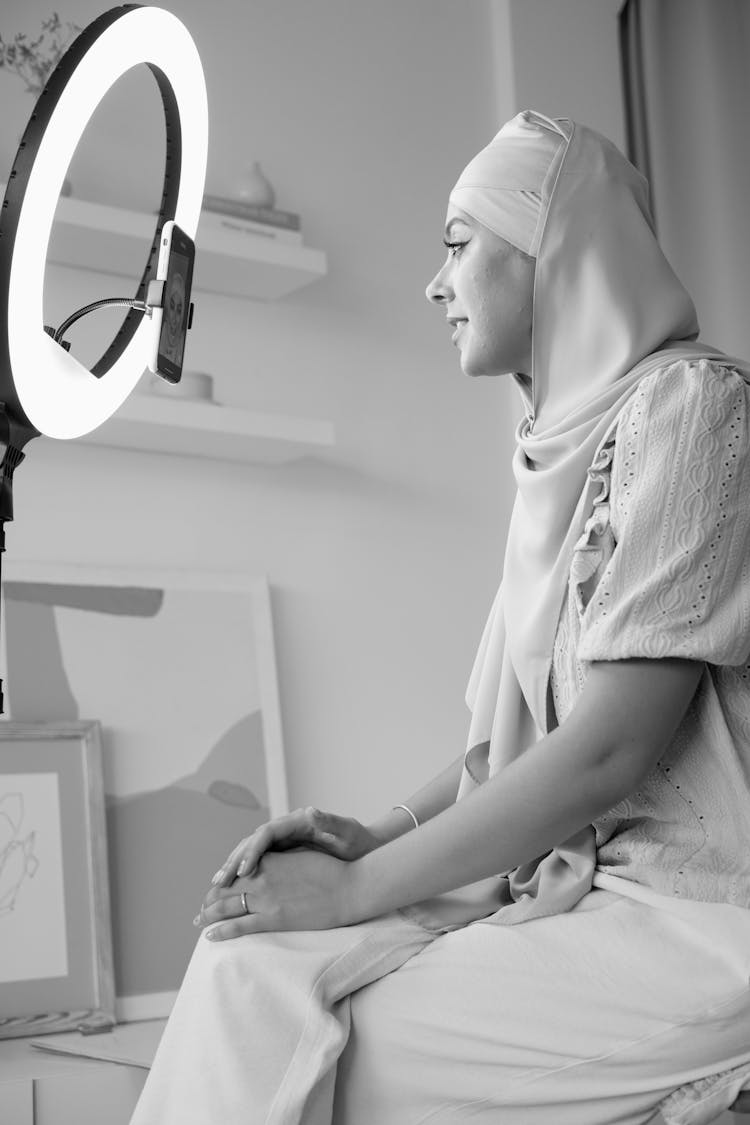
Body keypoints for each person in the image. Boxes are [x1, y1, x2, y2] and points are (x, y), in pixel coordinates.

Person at [130, 111, 750, 1125]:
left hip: (699, 920)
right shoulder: (555, 451)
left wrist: (354, 893)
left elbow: (605, 751)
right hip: (575, 881)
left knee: (334, 1054)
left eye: (459, 245)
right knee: (245, 964)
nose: (433, 284)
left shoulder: (693, 409)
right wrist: (367, 840)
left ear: (554, 252)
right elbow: (514, 742)